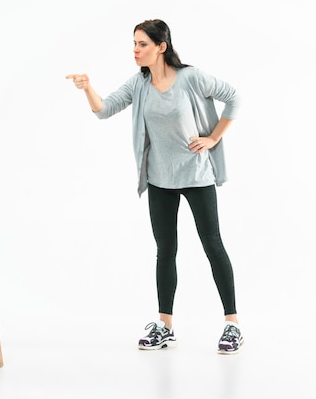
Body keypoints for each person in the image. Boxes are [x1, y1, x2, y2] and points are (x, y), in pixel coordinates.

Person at [66, 19, 243, 354]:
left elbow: (234, 98)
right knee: (166, 251)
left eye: (142, 44)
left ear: (161, 47)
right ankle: (165, 325)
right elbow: (104, 110)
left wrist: (213, 138)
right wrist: (88, 87)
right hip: (160, 179)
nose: (135, 50)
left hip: (196, 176)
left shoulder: (191, 77)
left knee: (212, 245)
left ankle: (232, 325)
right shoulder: (139, 83)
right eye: (134, 43)